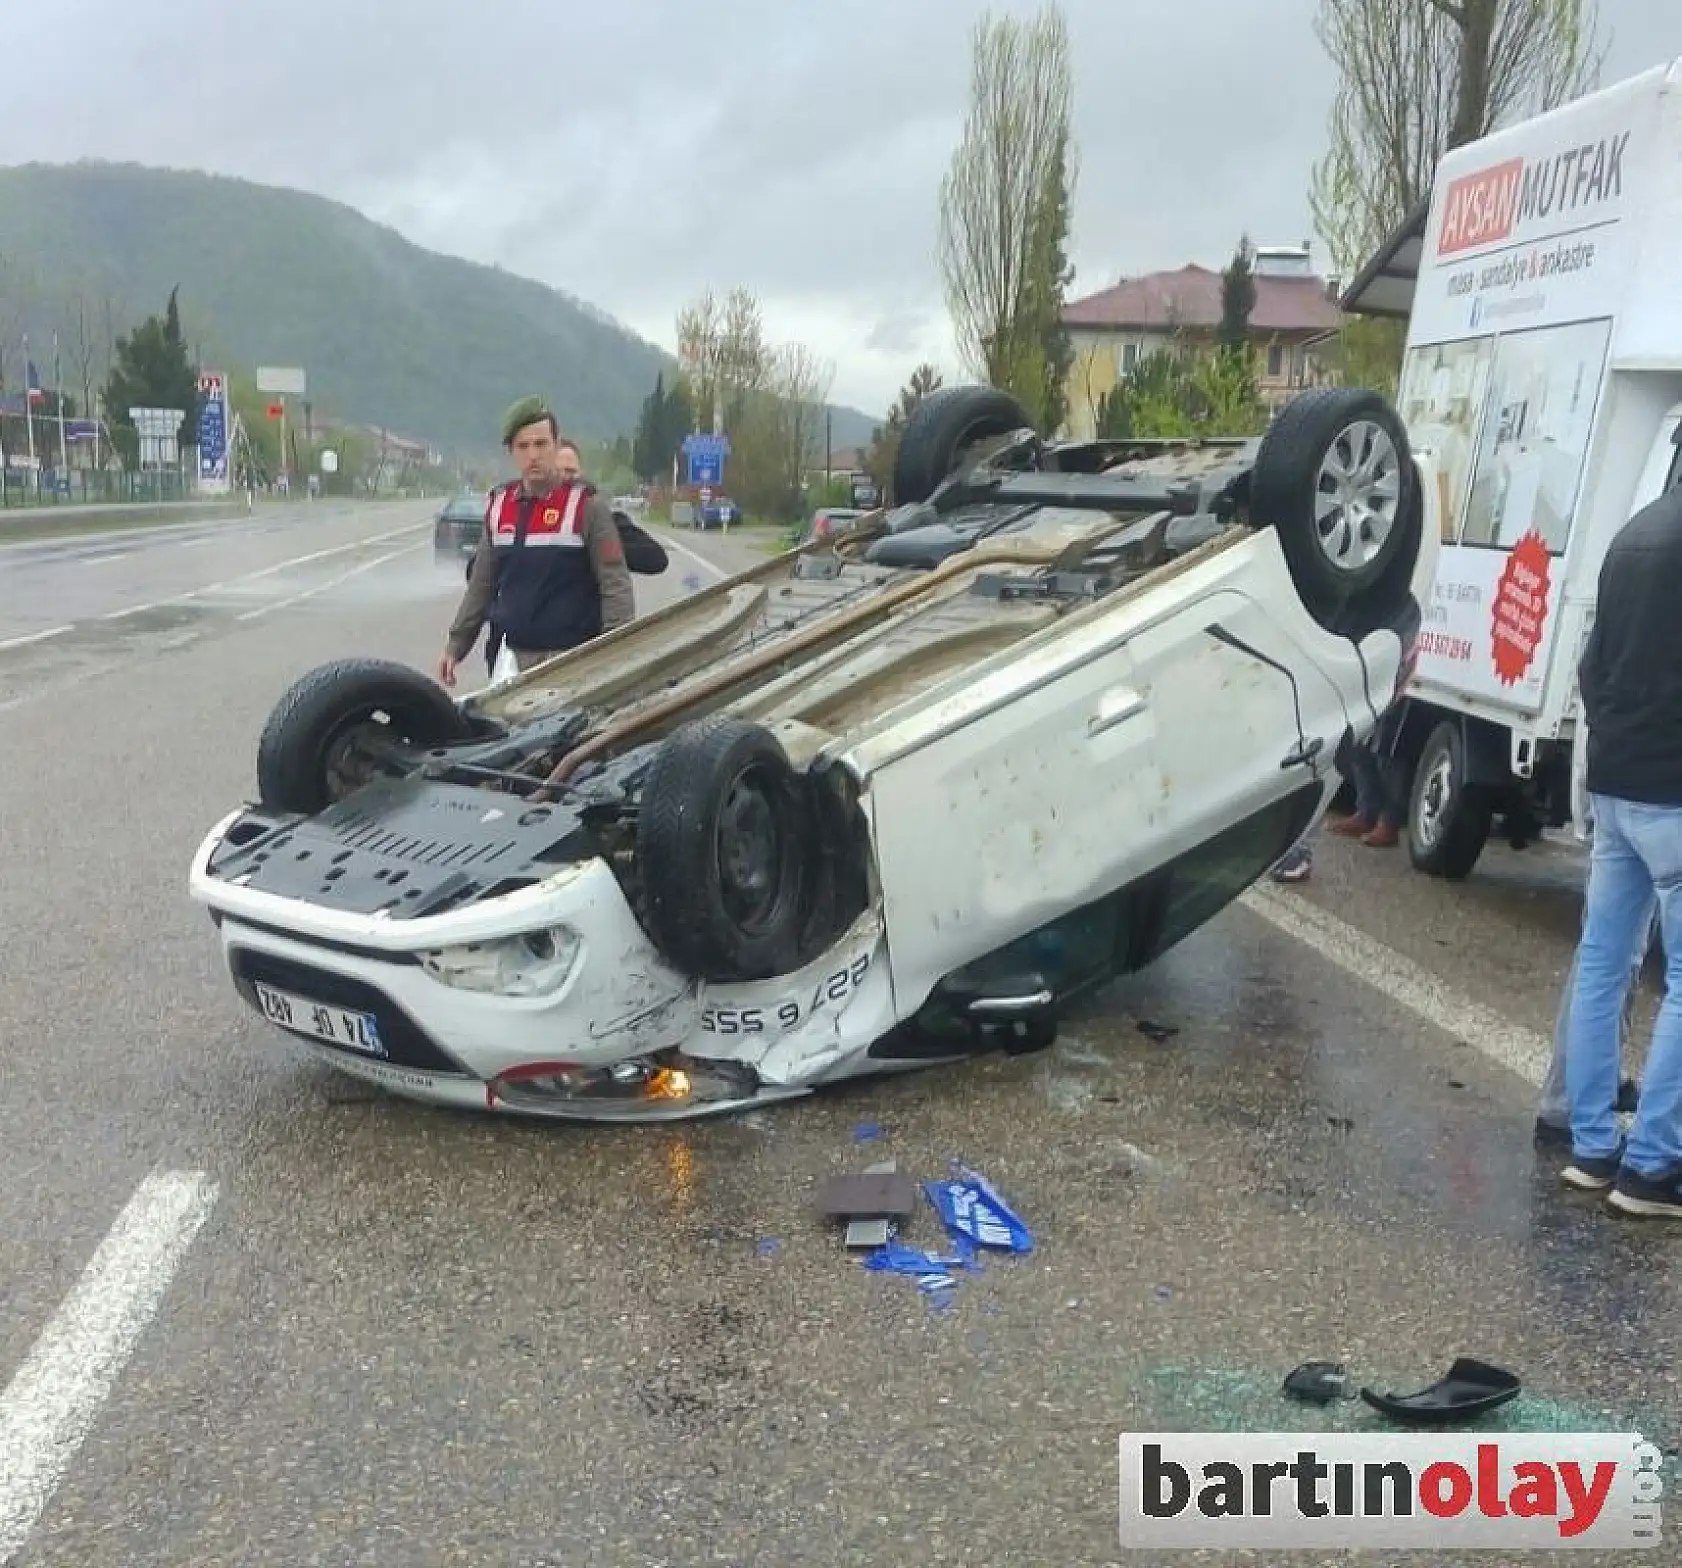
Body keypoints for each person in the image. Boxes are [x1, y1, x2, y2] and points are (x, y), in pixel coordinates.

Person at [1559, 461, 1682, 1215]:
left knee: (1603, 964)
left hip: (1617, 782)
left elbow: (1591, 663)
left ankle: (1592, 1147)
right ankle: (1655, 1168)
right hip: (1676, 791)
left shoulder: (1634, 534)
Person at [439, 397, 635, 689]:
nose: (533, 455)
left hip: (574, 661)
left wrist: (614, 656)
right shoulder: (499, 506)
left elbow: (615, 586)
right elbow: (481, 585)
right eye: (523, 446)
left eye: (541, 444)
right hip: (514, 660)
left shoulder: (587, 507)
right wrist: (456, 646)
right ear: (511, 452)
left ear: (556, 445)